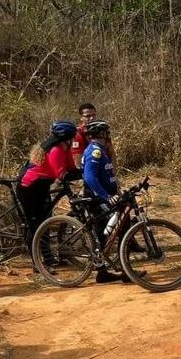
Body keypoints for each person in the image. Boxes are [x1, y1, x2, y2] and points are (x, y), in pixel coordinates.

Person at [18, 121, 80, 258]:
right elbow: (61, 175)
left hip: (42, 186)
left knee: (45, 221)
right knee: (36, 225)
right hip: (30, 187)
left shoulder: (64, 148)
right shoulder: (56, 150)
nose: (74, 139)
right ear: (66, 138)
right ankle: (37, 262)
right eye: (72, 137)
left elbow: (71, 168)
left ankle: (48, 257)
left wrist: (82, 172)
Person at [80, 120, 129, 284]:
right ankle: (119, 270)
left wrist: (117, 191)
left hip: (106, 195)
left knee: (120, 225)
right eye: (107, 132)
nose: (109, 135)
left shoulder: (101, 150)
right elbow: (89, 177)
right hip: (97, 198)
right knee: (109, 230)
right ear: (101, 134)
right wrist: (106, 196)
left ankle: (117, 269)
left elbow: (108, 175)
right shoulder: (95, 152)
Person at [71, 102, 114, 170]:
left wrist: (113, 171)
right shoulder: (78, 133)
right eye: (87, 116)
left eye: (93, 115)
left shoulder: (103, 129)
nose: (91, 118)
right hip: (89, 168)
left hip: (105, 166)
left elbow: (111, 151)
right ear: (81, 118)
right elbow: (77, 158)